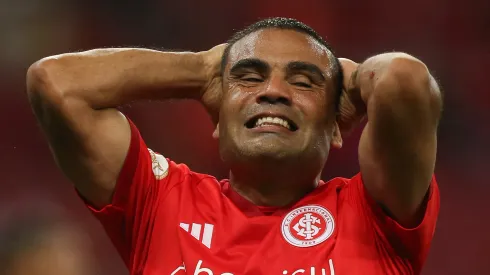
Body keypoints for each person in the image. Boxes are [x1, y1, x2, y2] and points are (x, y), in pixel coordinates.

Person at [26, 17, 442, 275]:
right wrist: (202, 68)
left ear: (337, 125)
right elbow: (56, 84)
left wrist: (347, 79)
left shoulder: (375, 216)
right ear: (216, 115)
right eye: (248, 77)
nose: (274, 92)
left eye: (302, 81)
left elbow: (405, 80)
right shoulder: (159, 202)